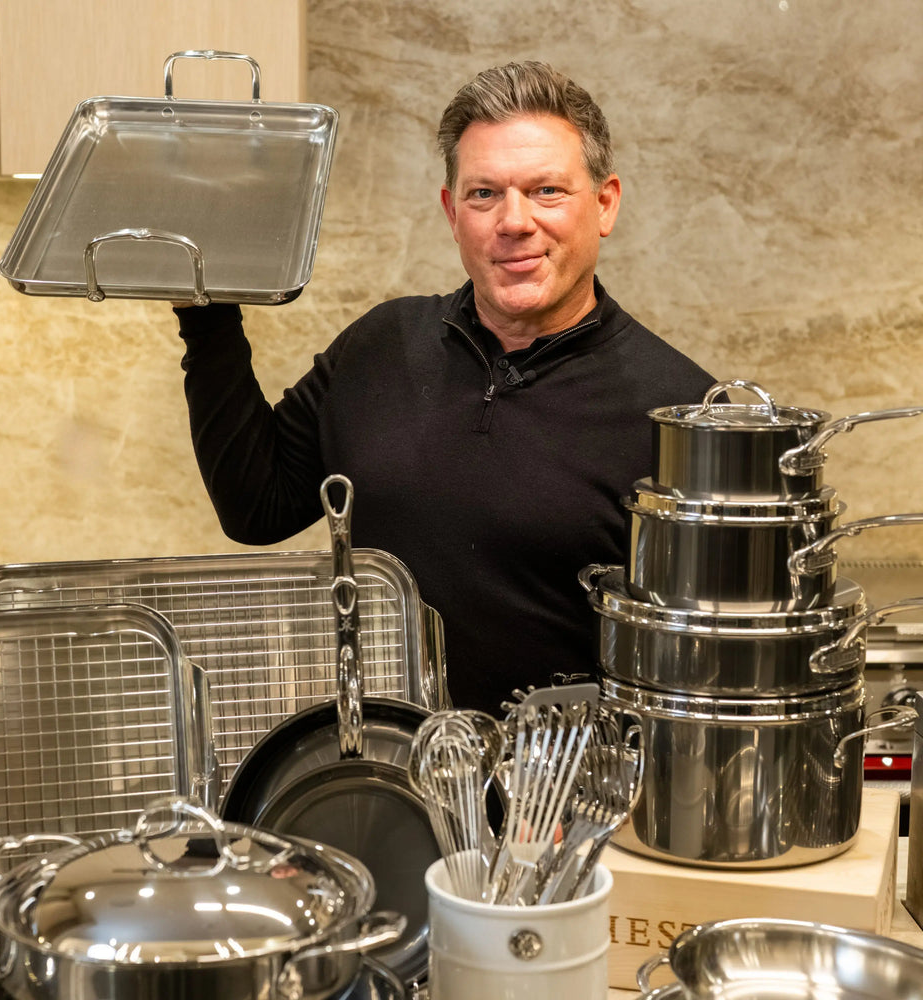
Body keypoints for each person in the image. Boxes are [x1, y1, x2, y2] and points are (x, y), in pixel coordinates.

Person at [174, 60, 718, 715]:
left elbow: (708, 675)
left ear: (604, 204)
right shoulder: (381, 345)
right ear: (451, 211)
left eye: (547, 191)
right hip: (392, 779)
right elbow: (256, 507)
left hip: (576, 802)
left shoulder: (683, 418)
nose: (514, 221)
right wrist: (206, 310)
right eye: (484, 194)